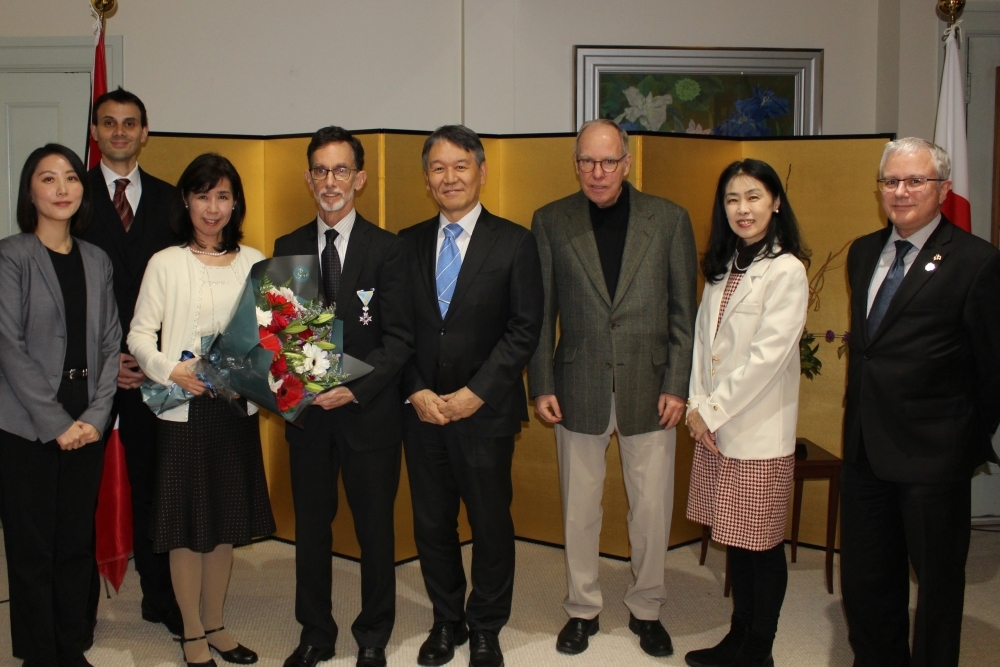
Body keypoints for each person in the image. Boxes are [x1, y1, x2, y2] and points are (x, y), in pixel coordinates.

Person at [526, 118, 697, 658]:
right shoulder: (550, 220)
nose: (597, 172)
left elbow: (683, 312)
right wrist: (541, 383)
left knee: (651, 510)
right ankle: (582, 608)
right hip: (576, 384)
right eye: (586, 161)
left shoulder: (668, 219)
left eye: (607, 161)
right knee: (579, 509)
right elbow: (540, 312)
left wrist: (678, 384)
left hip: (653, 387)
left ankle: (647, 607)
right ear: (575, 164)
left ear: (627, 162)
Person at [840, 137, 1000, 667]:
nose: (901, 191)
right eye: (891, 181)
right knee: (866, 579)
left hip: (934, 457)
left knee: (937, 587)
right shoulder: (863, 252)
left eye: (915, 181)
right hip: (865, 451)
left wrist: (960, 438)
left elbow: (992, 369)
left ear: (944, 189)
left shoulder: (977, 262)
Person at [399, 125, 543, 667]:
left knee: (489, 523)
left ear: (481, 171)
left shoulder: (515, 242)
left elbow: (524, 329)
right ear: (426, 179)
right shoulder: (406, 243)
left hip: (484, 412)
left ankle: (486, 625)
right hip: (423, 412)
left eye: (460, 166)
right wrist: (415, 388)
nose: (450, 177)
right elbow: (396, 329)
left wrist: (475, 394)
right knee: (432, 524)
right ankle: (446, 620)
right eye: (438, 168)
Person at [272, 126, 413, 667]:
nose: (330, 181)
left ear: (360, 178)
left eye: (341, 170)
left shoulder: (389, 249)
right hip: (309, 417)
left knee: (375, 530)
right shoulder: (287, 247)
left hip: (368, 416)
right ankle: (315, 632)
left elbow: (400, 339)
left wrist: (350, 391)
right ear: (309, 178)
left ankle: (373, 634)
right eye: (321, 170)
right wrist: (307, 388)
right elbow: (278, 338)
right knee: (311, 530)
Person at [128, 153, 276, 667]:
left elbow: (272, 337)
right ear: (186, 202)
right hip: (183, 411)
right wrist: (171, 370)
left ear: (235, 204)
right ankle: (191, 632)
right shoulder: (165, 262)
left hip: (235, 412)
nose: (212, 208)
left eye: (222, 197)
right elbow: (139, 335)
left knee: (225, 523)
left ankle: (216, 624)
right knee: (187, 529)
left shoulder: (254, 261)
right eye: (202, 196)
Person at [683, 159, 809, 667]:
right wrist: (696, 407)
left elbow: (767, 358)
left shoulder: (787, 270)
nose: (743, 208)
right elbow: (702, 346)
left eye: (754, 196)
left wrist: (710, 411)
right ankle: (738, 636)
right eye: (732, 199)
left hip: (756, 431)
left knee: (761, 546)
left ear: (775, 202)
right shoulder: (725, 266)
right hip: (715, 428)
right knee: (736, 541)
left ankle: (759, 650)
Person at [0, 144, 120, 667]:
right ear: (30, 191)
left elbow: (111, 344)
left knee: (75, 543)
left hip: (86, 418)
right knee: (32, 549)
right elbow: (9, 346)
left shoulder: (97, 260)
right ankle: (38, 655)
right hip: (25, 423)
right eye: (48, 179)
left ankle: (71, 648)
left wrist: (94, 418)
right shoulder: (11, 256)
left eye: (71, 177)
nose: (62, 188)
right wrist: (56, 423)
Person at [78, 86, 183, 638]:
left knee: (154, 489)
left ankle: (160, 598)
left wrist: (149, 356)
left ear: (145, 133)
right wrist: (105, 360)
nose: (119, 131)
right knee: (80, 495)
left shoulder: (172, 200)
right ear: (95, 132)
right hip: (88, 376)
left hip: (154, 373)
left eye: (129, 123)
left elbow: (182, 287)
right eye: (108, 122)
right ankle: (78, 610)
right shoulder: (73, 197)